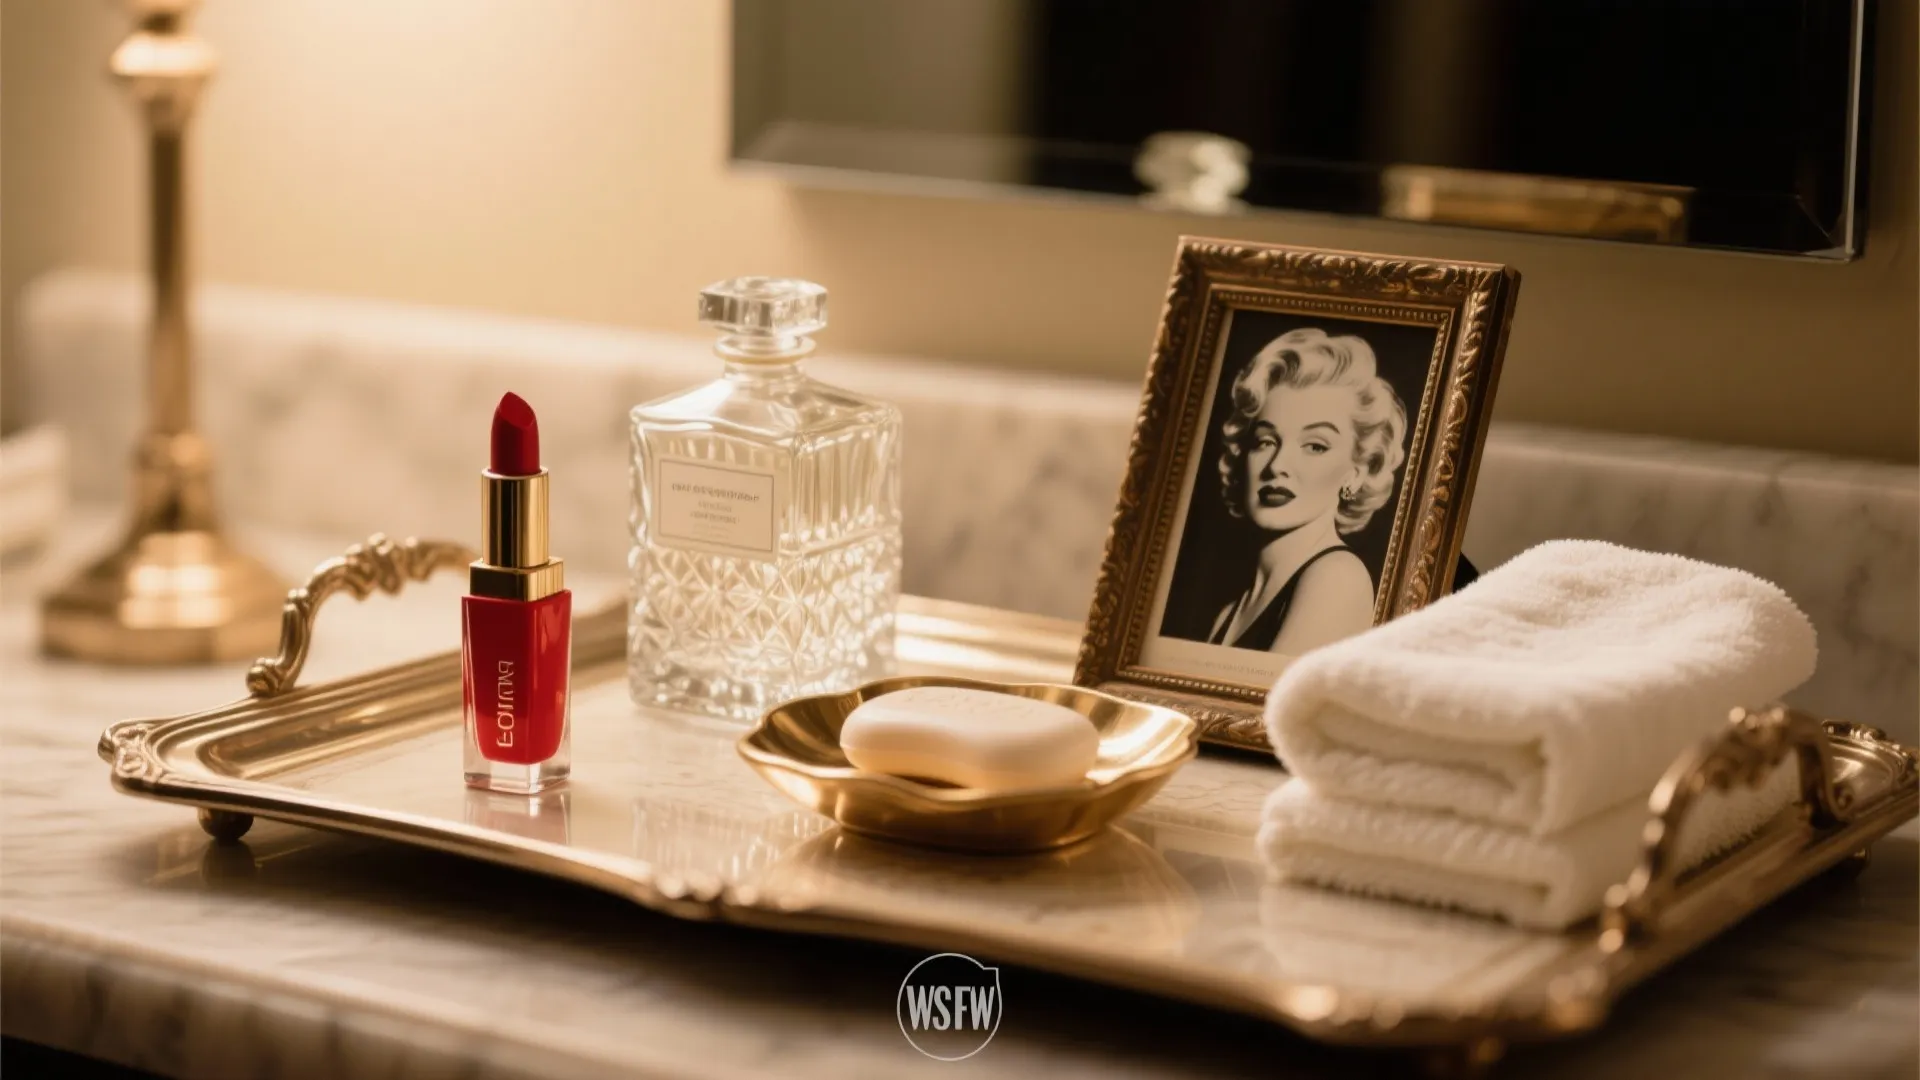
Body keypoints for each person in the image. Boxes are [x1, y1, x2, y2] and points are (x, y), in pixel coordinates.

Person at [1206, 327, 1408, 654]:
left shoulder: (1338, 578)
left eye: (1315, 446)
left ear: (1355, 474)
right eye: (1265, 442)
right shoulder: (1227, 615)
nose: (1277, 466)